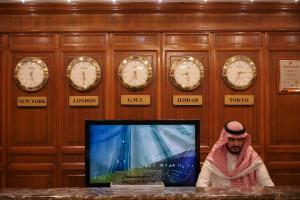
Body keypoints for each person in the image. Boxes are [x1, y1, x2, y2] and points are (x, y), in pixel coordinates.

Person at [196, 121, 274, 187]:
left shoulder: (251, 156)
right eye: (232, 139)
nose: (236, 143)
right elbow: (202, 182)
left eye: (239, 140)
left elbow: (267, 183)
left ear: (244, 140)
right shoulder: (215, 156)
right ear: (225, 139)